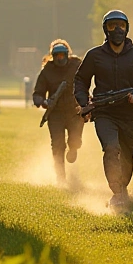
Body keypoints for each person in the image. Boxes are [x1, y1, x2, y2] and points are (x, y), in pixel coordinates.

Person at [73, 10, 133, 209]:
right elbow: (80, 80)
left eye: (121, 25)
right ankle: (117, 193)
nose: (117, 30)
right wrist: (83, 102)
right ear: (106, 29)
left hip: (130, 115)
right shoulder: (94, 55)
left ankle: (122, 188)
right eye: (112, 26)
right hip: (104, 113)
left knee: (127, 156)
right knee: (112, 149)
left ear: (127, 28)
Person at [32, 40, 84, 184]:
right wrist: (43, 102)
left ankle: (73, 149)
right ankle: (60, 176)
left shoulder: (77, 66)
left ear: (68, 55)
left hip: (75, 111)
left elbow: (86, 81)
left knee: (75, 140)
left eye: (63, 55)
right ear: (52, 56)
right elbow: (38, 93)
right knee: (57, 145)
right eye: (57, 56)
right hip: (56, 114)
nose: (60, 58)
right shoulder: (47, 71)